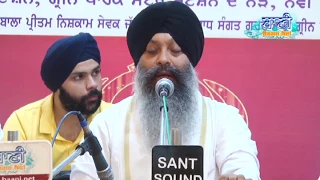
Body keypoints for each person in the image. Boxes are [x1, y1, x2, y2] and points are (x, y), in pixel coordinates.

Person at [70, 2, 260, 180]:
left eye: (175, 50)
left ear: (190, 60)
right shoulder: (107, 124)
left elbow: (242, 166)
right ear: (138, 62)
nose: (163, 59)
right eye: (152, 51)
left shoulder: (224, 119)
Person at [2, 33, 112, 171]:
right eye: (79, 77)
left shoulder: (115, 119)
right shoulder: (23, 123)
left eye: (96, 73)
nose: (92, 84)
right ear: (57, 86)